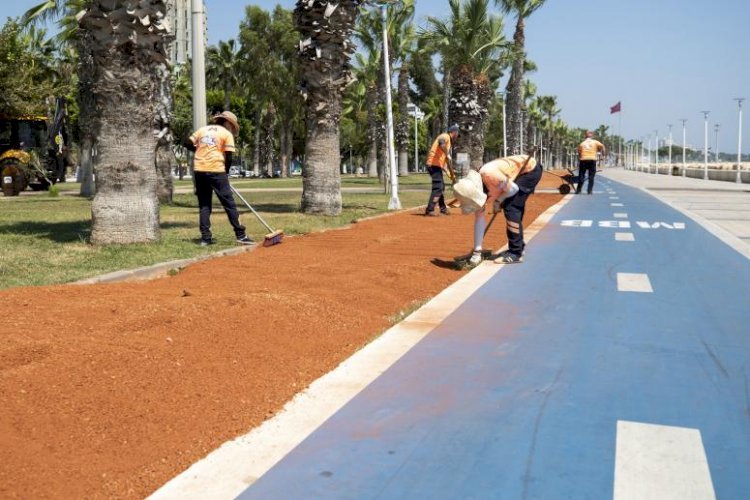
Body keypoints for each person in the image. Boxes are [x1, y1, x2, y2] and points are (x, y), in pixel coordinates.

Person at [452, 153, 542, 266]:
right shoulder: (474, 190)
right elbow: (479, 218)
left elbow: (513, 189)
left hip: (529, 170)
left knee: (511, 206)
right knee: (510, 204)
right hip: (512, 175)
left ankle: (516, 253)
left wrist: (498, 201)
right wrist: (477, 251)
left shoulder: (489, 176)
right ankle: (519, 246)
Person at [186, 111, 253, 246]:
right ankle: (241, 235)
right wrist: (226, 173)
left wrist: (200, 150)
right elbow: (228, 157)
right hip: (216, 171)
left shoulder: (202, 130)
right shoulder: (226, 134)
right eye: (232, 126)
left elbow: (187, 143)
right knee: (229, 203)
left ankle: (206, 238)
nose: (232, 129)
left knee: (204, 205)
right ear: (228, 122)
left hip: (199, 170)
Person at [424, 124, 459, 216]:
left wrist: (450, 173)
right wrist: (447, 153)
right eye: (457, 134)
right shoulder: (445, 136)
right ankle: (430, 210)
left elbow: (444, 161)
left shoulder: (449, 144)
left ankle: (443, 209)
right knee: (438, 187)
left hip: (437, 165)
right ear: (454, 132)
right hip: (433, 164)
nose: (457, 137)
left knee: (441, 187)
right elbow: (441, 142)